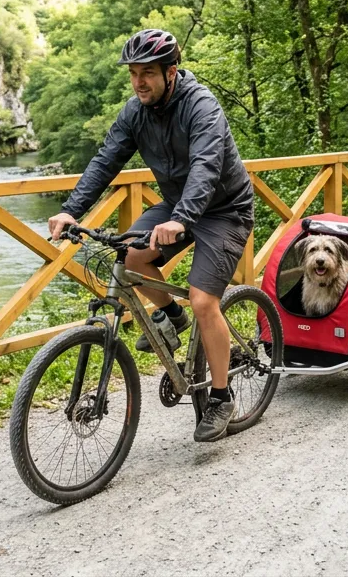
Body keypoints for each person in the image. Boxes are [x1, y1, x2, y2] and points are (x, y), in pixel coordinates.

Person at [47, 29, 254, 443]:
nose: (139, 82)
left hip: (223, 210)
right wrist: (72, 209)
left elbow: (206, 166)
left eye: (148, 74)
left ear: (171, 72)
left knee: (202, 300)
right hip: (177, 207)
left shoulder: (202, 106)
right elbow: (106, 160)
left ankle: (220, 395)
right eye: (134, 74)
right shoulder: (134, 111)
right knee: (130, 256)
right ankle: (171, 318)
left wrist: (182, 219)